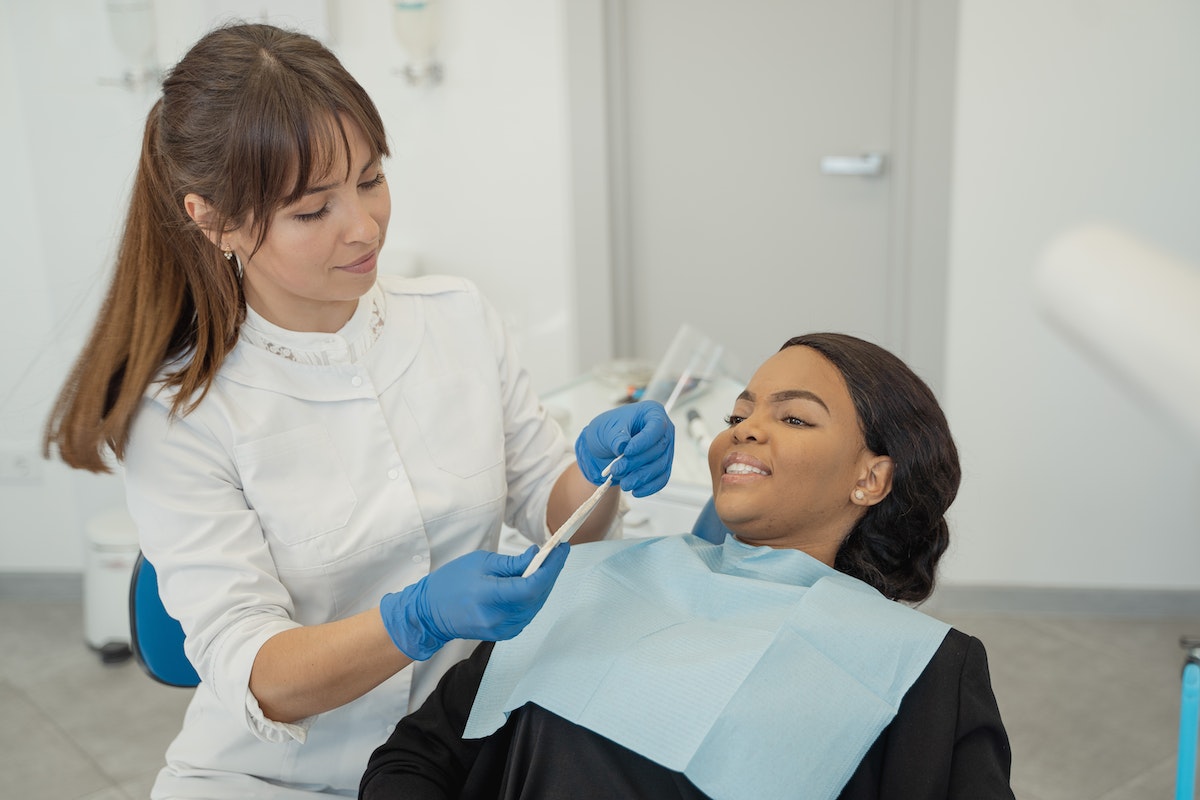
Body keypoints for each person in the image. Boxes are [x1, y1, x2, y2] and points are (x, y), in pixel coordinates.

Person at [41, 23, 674, 799]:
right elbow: (258, 673)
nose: (364, 226)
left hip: (458, 753)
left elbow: (557, 514)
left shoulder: (457, 317)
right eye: (313, 210)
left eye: (371, 180)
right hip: (280, 777)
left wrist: (597, 471)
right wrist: (413, 619)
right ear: (212, 219)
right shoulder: (184, 412)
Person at [359, 333, 1016, 800]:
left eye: (792, 417)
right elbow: (415, 760)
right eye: (738, 413)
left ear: (872, 479)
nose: (744, 429)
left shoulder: (923, 668)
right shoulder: (583, 580)